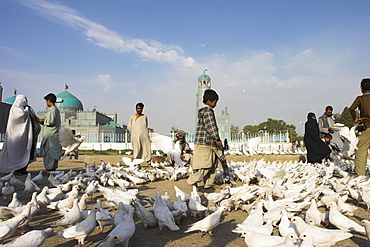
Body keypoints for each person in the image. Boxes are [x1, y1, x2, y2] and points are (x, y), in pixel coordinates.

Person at [187, 89, 223, 189]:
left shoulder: (203, 111)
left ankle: (208, 184)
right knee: (205, 165)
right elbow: (211, 127)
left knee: (213, 165)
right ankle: (192, 180)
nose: (215, 104)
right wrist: (217, 139)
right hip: (206, 143)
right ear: (209, 101)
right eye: (215, 102)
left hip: (206, 143)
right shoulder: (208, 112)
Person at [0, 95, 40, 174]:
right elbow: (20, 117)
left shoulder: (28, 109)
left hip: (25, 137)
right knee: (15, 154)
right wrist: (26, 111)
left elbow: (34, 118)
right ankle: (16, 169)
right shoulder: (15, 110)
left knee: (25, 152)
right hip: (14, 137)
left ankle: (23, 169)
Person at [349, 78, 370, 176]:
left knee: (361, 151)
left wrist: (356, 119)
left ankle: (360, 175)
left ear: (361, 88)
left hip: (367, 126)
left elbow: (351, 108)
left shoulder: (360, 99)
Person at [37, 93, 62, 172]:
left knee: (49, 152)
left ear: (49, 101)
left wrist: (39, 120)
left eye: (46, 101)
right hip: (54, 134)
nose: (46, 103)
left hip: (50, 135)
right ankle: (52, 167)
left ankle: (49, 168)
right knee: (52, 151)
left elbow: (50, 122)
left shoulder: (52, 110)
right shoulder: (56, 110)